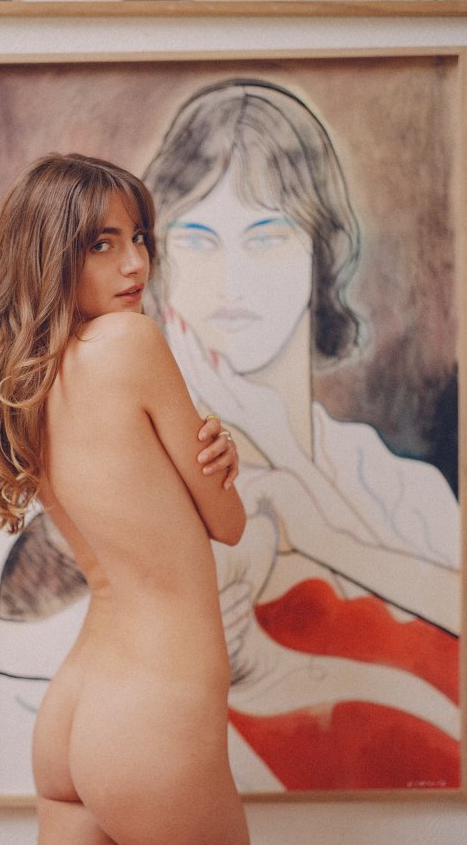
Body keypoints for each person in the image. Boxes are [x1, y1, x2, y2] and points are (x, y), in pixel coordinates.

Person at [141, 78, 460, 788]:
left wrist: (299, 481)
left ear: (322, 251)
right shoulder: (137, 464)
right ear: (159, 259)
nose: (231, 280)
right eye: (196, 239)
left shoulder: (395, 483)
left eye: (267, 237)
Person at [0, 153, 252, 845]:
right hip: (149, 720)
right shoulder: (130, 342)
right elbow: (227, 523)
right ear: (50, 254)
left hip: (74, 712)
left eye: (139, 238)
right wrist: (223, 457)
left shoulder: (29, 379)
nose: (134, 264)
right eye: (101, 243)